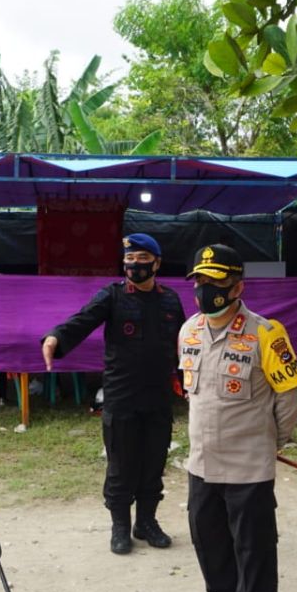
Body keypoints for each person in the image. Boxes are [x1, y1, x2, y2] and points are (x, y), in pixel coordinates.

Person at [181, 244, 297, 592]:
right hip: (201, 465)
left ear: (238, 286)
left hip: (249, 470)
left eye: (216, 282)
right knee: (210, 547)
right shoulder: (189, 331)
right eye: (200, 281)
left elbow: (289, 396)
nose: (205, 290)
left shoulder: (266, 334)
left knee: (254, 555)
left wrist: (272, 442)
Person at [42, 233, 185, 554]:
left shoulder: (171, 301)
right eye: (129, 261)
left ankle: (146, 522)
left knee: (153, 463)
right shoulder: (112, 296)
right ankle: (120, 527)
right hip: (122, 397)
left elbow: (185, 345)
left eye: (142, 260)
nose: (134, 266)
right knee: (121, 465)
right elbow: (81, 321)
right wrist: (54, 338)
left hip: (159, 397)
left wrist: (189, 379)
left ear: (157, 263)